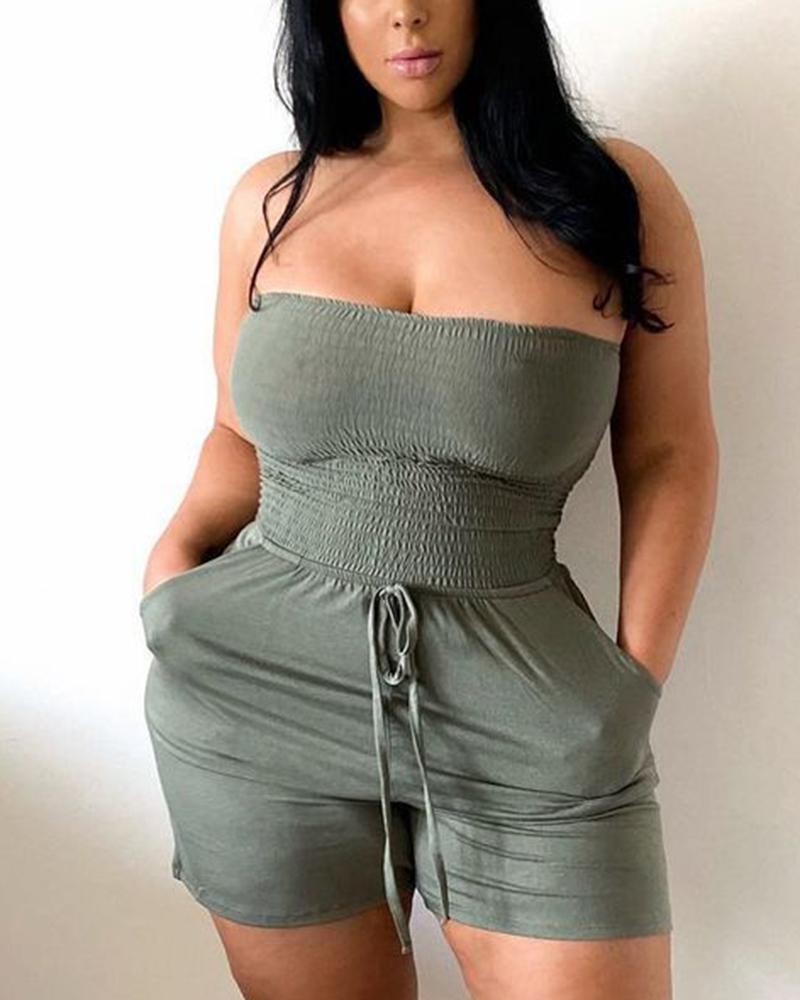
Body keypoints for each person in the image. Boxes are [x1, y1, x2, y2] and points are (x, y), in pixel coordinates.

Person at [139, 2, 718, 998]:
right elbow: (236, 432)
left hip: (527, 701)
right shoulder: (271, 201)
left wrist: (631, 685)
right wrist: (172, 571)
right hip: (255, 694)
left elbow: (669, 450)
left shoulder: (613, 193)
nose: (405, 11)